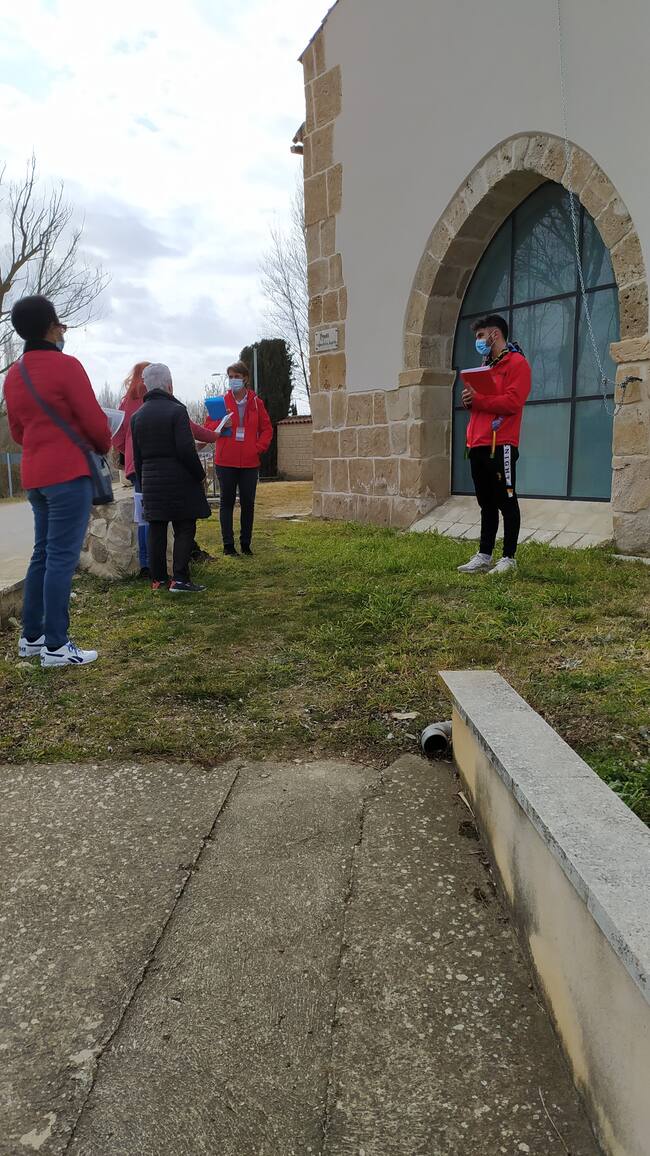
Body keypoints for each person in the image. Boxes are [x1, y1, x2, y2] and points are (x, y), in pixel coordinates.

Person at [4, 295, 112, 666]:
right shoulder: (66, 366)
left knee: (43, 554)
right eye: (60, 324)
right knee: (62, 558)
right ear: (52, 326)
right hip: (68, 472)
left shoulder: (14, 374)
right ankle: (56, 646)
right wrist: (103, 444)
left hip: (34, 475)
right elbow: (95, 422)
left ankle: (31, 638)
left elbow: (18, 432)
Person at [113, 362, 218, 576]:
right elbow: (185, 447)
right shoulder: (176, 410)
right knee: (184, 524)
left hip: (145, 475)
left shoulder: (135, 413)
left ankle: (155, 576)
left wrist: (138, 469)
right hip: (175, 475)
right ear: (169, 385)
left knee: (153, 524)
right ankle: (180, 577)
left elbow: (127, 445)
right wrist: (199, 474)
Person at [457, 314, 531, 576]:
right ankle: (484, 555)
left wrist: (480, 400)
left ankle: (508, 558)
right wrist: (469, 400)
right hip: (476, 443)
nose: (478, 341)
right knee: (486, 502)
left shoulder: (517, 364)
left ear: (494, 334)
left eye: (480, 336)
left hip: (502, 444)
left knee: (507, 501)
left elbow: (512, 403)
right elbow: (481, 404)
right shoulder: (484, 366)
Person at [206, 360, 272, 556]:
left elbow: (267, 429)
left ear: (245, 378)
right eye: (231, 377)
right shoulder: (220, 402)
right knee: (226, 502)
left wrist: (258, 448)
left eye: (237, 376)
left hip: (250, 462)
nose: (234, 380)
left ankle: (246, 544)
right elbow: (208, 428)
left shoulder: (256, 403)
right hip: (226, 460)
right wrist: (221, 425)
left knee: (248, 503)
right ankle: (228, 545)